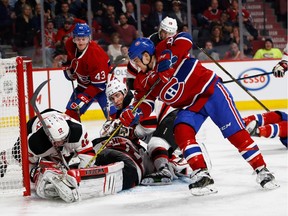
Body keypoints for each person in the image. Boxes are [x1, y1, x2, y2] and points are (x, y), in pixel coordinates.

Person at [120, 35, 279, 195]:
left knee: (236, 134)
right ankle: (202, 174)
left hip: (211, 92)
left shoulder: (163, 48)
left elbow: (185, 38)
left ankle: (262, 170)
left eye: (136, 60)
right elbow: (145, 103)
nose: (135, 65)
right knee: (181, 131)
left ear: (146, 56)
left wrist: (170, 57)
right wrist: (134, 114)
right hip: (190, 105)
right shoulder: (142, 80)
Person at [63, 23, 111, 121]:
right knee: (70, 116)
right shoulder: (69, 44)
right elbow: (70, 60)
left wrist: (84, 98)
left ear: (89, 38)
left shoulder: (95, 55)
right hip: (83, 86)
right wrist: (70, 69)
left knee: (113, 117)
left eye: (83, 39)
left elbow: (99, 86)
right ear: (73, 38)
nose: (80, 42)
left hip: (104, 88)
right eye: (78, 39)